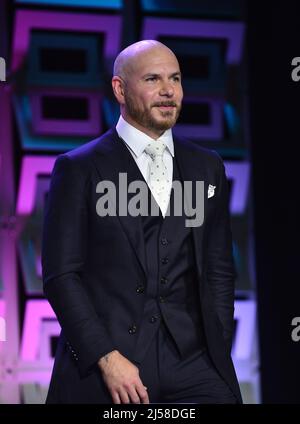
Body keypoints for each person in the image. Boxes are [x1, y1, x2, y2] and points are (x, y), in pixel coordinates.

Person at [42, 40, 242, 404]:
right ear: (120, 88)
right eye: (153, 79)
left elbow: (219, 268)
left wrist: (218, 343)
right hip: (113, 365)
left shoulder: (206, 166)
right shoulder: (79, 168)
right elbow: (61, 275)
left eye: (176, 79)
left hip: (195, 366)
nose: (168, 91)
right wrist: (106, 357)